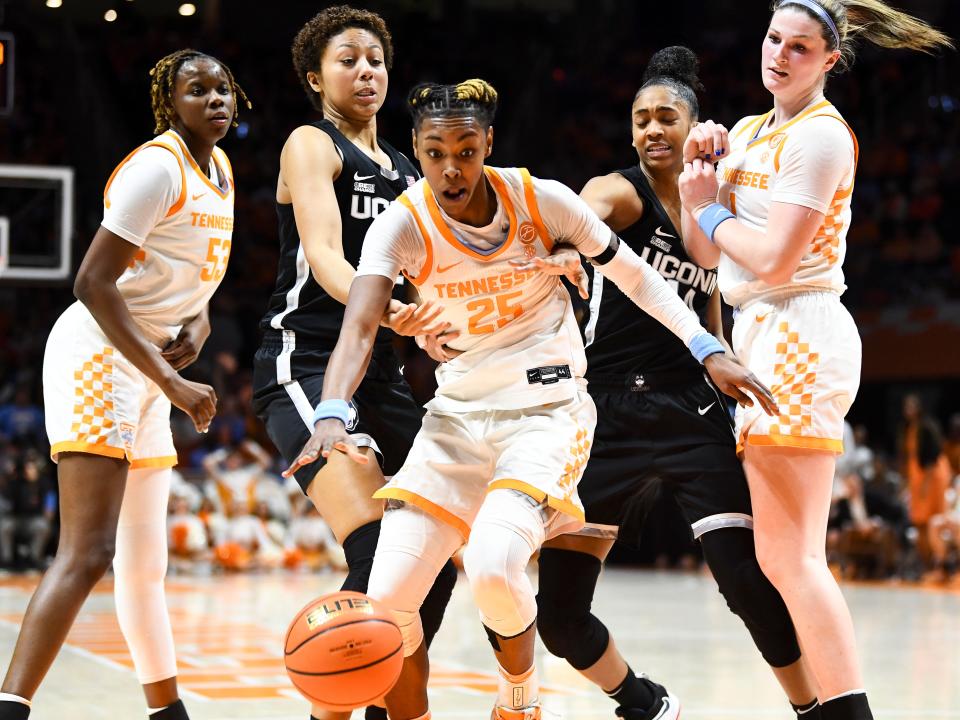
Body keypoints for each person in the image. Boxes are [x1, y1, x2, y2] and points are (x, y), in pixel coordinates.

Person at [284, 78, 776, 720]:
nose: (451, 167)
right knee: (388, 602)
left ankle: (520, 700)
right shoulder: (400, 225)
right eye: (435, 153)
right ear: (417, 148)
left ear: (488, 142)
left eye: (466, 150)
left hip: (547, 413)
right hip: (456, 419)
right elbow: (358, 323)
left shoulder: (541, 200)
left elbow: (639, 278)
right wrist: (330, 411)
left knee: (493, 566)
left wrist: (708, 346)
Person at [676, 3, 952, 718]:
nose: (779, 55)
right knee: (778, 557)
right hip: (756, 330)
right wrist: (695, 176)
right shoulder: (742, 132)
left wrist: (709, 208)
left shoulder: (823, 137)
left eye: (799, 47)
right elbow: (707, 255)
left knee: (794, 558)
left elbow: (772, 257)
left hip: (800, 330)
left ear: (829, 60)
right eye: (773, 38)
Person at [527, 46, 820, 720]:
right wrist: (564, 242)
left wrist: (729, 371)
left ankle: (813, 708)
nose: (653, 129)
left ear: (695, 130)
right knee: (561, 620)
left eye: (667, 118)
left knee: (746, 581)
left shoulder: (712, 211)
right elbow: (569, 210)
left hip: (690, 407)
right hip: (605, 414)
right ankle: (643, 701)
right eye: (641, 119)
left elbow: (709, 307)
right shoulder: (621, 192)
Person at [0, 49, 250, 720]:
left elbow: (189, 276)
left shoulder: (220, 169)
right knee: (87, 553)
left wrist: (196, 324)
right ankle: (11, 705)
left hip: (144, 362)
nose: (216, 99)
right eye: (198, 90)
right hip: (97, 354)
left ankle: (168, 712)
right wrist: (171, 378)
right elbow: (92, 282)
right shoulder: (155, 168)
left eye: (223, 88)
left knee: (144, 567)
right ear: (171, 104)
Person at [249, 8, 457, 719]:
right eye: (348, 60)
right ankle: (333, 705)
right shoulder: (313, 144)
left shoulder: (405, 168)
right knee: (376, 551)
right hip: (305, 362)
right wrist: (392, 309)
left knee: (432, 565)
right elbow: (332, 262)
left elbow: (430, 275)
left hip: (383, 374)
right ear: (316, 77)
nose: (366, 70)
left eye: (375, 59)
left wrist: (445, 323)